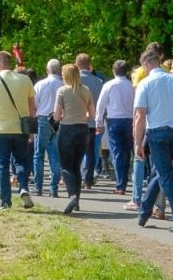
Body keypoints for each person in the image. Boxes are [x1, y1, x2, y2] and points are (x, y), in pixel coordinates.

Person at [133, 50, 173, 233]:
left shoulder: (145, 83)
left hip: (157, 133)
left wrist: (137, 143)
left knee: (165, 175)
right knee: (160, 171)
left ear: (145, 65)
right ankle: (144, 212)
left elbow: (140, 115)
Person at [0, 51, 36, 211]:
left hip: (0, 130)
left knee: (2, 166)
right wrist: (31, 130)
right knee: (21, 161)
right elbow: (32, 108)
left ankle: (5, 201)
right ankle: (23, 187)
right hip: (20, 129)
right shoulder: (25, 80)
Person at [55, 63, 94, 214]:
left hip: (67, 129)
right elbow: (92, 114)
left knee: (66, 166)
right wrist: (81, 115)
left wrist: (64, 116)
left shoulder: (62, 91)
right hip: (83, 129)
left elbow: (57, 115)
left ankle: (72, 196)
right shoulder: (86, 90)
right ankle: (77, 200)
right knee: (76, 166)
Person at [95, 60, 136, 196]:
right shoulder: (132, 86)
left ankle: (120, 184)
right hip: (130, 120)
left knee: (117, 152)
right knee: (129, 152)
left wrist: (99, 123)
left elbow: (100, 106)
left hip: (114, 121)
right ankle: (129, 178)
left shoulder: (108, 85)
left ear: (113, 71)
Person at [33, 59, 63, 197]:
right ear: (59, 70)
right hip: (58, 121)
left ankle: (38, 187)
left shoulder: (40, 84)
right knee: (55, 154)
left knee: (39, 154)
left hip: (43, 119)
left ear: (47, 70)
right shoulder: (64, 85)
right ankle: (53, 188)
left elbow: (34, 105)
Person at [75, 54, 104, 186]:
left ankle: (77, 177)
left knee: (76, 150)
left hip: (76, 120)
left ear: (76, 64)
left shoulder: (74, 81)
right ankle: (88, 179)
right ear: (89, 65)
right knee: (91, 151)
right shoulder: (99, 82)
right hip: (92, 121)